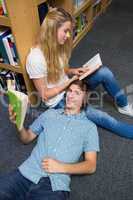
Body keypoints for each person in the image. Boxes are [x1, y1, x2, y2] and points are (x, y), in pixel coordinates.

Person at [26, 7, 133, 138]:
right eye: (65, 31)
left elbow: (61, 70)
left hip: (71, 86)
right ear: (52, 30)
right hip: (59, 101)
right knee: (104, 118)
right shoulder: (35, 59)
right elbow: (45, 95)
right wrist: (70, 82)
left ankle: (124, 105)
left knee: (105, 73)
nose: (68, 36)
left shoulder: (55, 45)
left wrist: (73, 71)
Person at [0, 80, 99, 200]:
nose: (70, 95)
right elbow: (26, 138)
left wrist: (61, 167)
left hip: (53, 185)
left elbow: (90, 165)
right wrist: (19, 125)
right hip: (25, 173)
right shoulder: (50, 114)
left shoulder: (90, 127)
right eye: (69, 91)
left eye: (77, 93)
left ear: (84, 99)